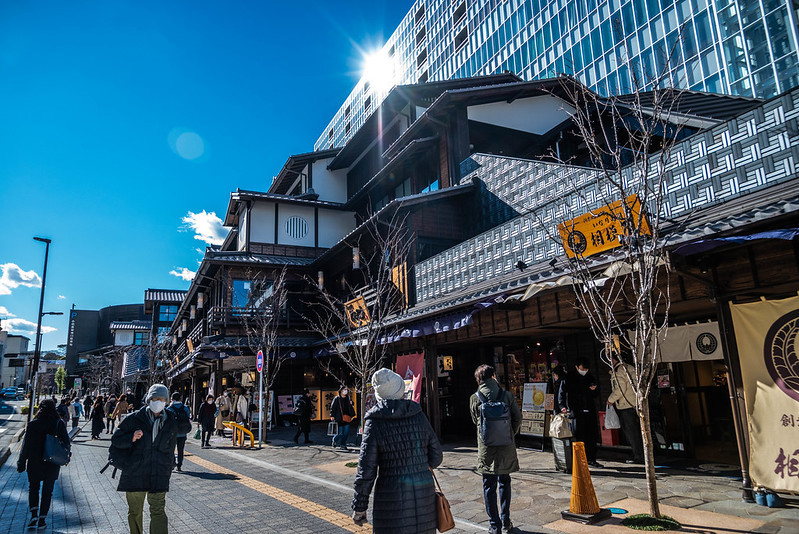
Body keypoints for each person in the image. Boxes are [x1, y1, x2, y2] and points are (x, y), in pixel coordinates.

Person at [351, 369, 443, 532]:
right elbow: (436, 456)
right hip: (424, 497)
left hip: (391, 500)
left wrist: (360, 507)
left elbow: (366, 470)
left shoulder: (375, 422)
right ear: (401, 390)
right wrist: (419, 465)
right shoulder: (418, 414)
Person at [112, 384, 181, 534]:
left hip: (158, 473)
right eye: (155, 398)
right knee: (135, 512)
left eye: (162, 399)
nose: (158, 402)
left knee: (158, 512)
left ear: (167, 401)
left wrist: (168, 467)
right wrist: (131, 437)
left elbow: (171, 448)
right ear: (149, 399)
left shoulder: (170, 421)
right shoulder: (134, 418)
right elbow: (116, 440)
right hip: (135, 473)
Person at [470, 364, 522, 534]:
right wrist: (509, 434)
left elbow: (475, 421)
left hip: (487, 448)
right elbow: (518, 417)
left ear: (479, 379)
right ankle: (506, 520)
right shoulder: (506, 395)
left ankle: (494, 525)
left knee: (488, 485)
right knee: (504, 481)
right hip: (506, 446)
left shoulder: (475, 398)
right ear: (494, 377)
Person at [17, 399, 71, 530]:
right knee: (48, 491)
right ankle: (42, 519)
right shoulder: (58, 423)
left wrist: (21, 462)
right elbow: (66, 442)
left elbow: (26, 446)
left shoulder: (32, 424)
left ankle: (34, 515)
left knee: (33, 488)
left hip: (34, 461)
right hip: (52, 461)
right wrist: (66, 457)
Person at [565, 358, 602, 468]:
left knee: (592, 436)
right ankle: (580, 460)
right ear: (577, 367)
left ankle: (592, 459)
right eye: (582, 368)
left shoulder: (590, 377)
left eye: (586, 368)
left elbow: (596, 394)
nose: (585, 370)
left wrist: (594, 390)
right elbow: (566, 395)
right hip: (577, 412)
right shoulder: (570, 378)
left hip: (589, 410)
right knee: (579, 437)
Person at [607, 355, 644, 464]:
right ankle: (640, 454)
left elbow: (620, 388)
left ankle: (638, 455)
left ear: (614, 360)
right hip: (633, 403)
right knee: (635, 431)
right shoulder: (629, 367)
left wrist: (611, 399)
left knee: (631, 432)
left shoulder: (619, 370)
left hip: (626, 404)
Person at [167, 392, 191, 472]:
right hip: (183, 433)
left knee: (171, 449)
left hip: (172, 433)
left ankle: (173, 462)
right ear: (180, 399)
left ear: (172, 399)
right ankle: (179, 465)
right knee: (181, 450)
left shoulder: (169, 409)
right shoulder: (185, 408)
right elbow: (188, 417)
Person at [330, 386, 355, 450]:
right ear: (341, 390)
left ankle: (343, 444)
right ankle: (334, 440)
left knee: (346, 433)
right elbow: (333, 407)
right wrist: (332, 415)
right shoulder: (337, 398)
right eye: (344, 389)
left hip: (347, 417)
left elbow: (351, 406)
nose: (346, 391)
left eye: (346, 390)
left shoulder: (348, 398)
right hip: (339, 418)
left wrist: (352, 404)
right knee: (340, 432)